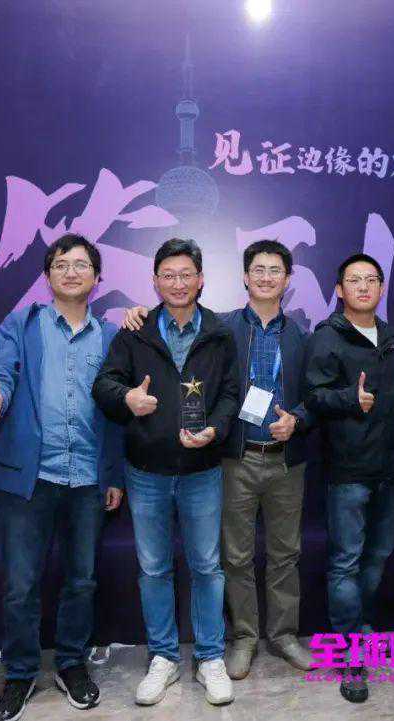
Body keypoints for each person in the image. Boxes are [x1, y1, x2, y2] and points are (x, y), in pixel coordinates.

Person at [119, 239, 314, 679]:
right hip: (235, 458)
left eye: (276, 270)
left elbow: (316, 395)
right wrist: (139, 314)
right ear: (244, 276)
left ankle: (284, 635)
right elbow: (175, 329)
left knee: (285, 554)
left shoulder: (303, 336)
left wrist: (298, 419)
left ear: (287, 279)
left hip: (286, 461)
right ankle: (244, 637)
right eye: (258, 269)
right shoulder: (220, 329)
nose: (266, 277)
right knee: (234, 557)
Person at [0, 233, 124, 721]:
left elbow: (119, 412)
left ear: (96, 277)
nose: (71, 272)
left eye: (81, 264)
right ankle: (20, 674)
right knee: (21, 585)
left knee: (82, 581)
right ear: (47, 276)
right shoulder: (22, 324)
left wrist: (113, 474)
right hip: (30, 480)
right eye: (61, 264)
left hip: (87, 480)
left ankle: (71, 664)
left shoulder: (110, 335)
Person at [92, 238, 240, 706]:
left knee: (207, 567)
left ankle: (210, 657)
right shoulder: (134, 332)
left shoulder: (218, 333)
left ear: (201, 279)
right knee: (154, 568)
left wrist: (215, 429)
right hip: (146, 472)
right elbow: (104, 384)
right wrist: (128, 398)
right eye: (169, 275)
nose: (178, 283)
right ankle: (163, 657)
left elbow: (231, 393)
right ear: (155, 281)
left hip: (202, 470)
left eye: (186, 274)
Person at [304, 253, 394, 704]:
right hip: (348, 472)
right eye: (354, 280)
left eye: (371, 279)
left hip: (392, 470)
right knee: (346, 562)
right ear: (339, 290)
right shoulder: (327, 337)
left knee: (377, 558)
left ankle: (359, 629)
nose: (363, 287)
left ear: (381, 287)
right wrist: (350, 398)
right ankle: (348, 653)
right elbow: (313, 397)